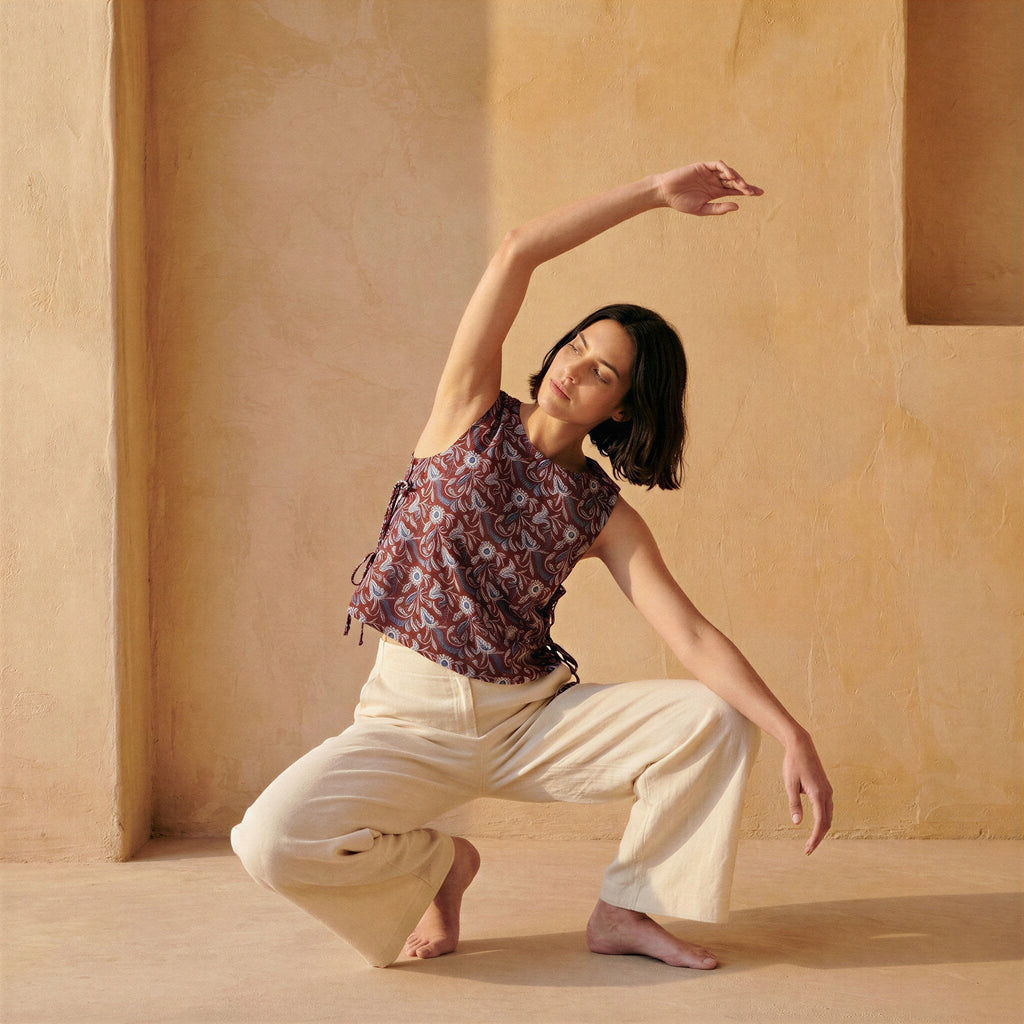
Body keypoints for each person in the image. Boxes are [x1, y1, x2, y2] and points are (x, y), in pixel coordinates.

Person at [231, 161, 834, 971]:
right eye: (577, 347)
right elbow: (516, 253)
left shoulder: (602, 513)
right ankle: (438, 869)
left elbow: (687, 632)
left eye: (602, 373)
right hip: (410, 719)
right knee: (270, 842)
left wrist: (790, 732)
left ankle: (626, 910)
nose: (574, 369)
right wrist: (653, 194)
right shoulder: (469, 408)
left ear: (620, 408)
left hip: (527, 722)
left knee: (716, 717)